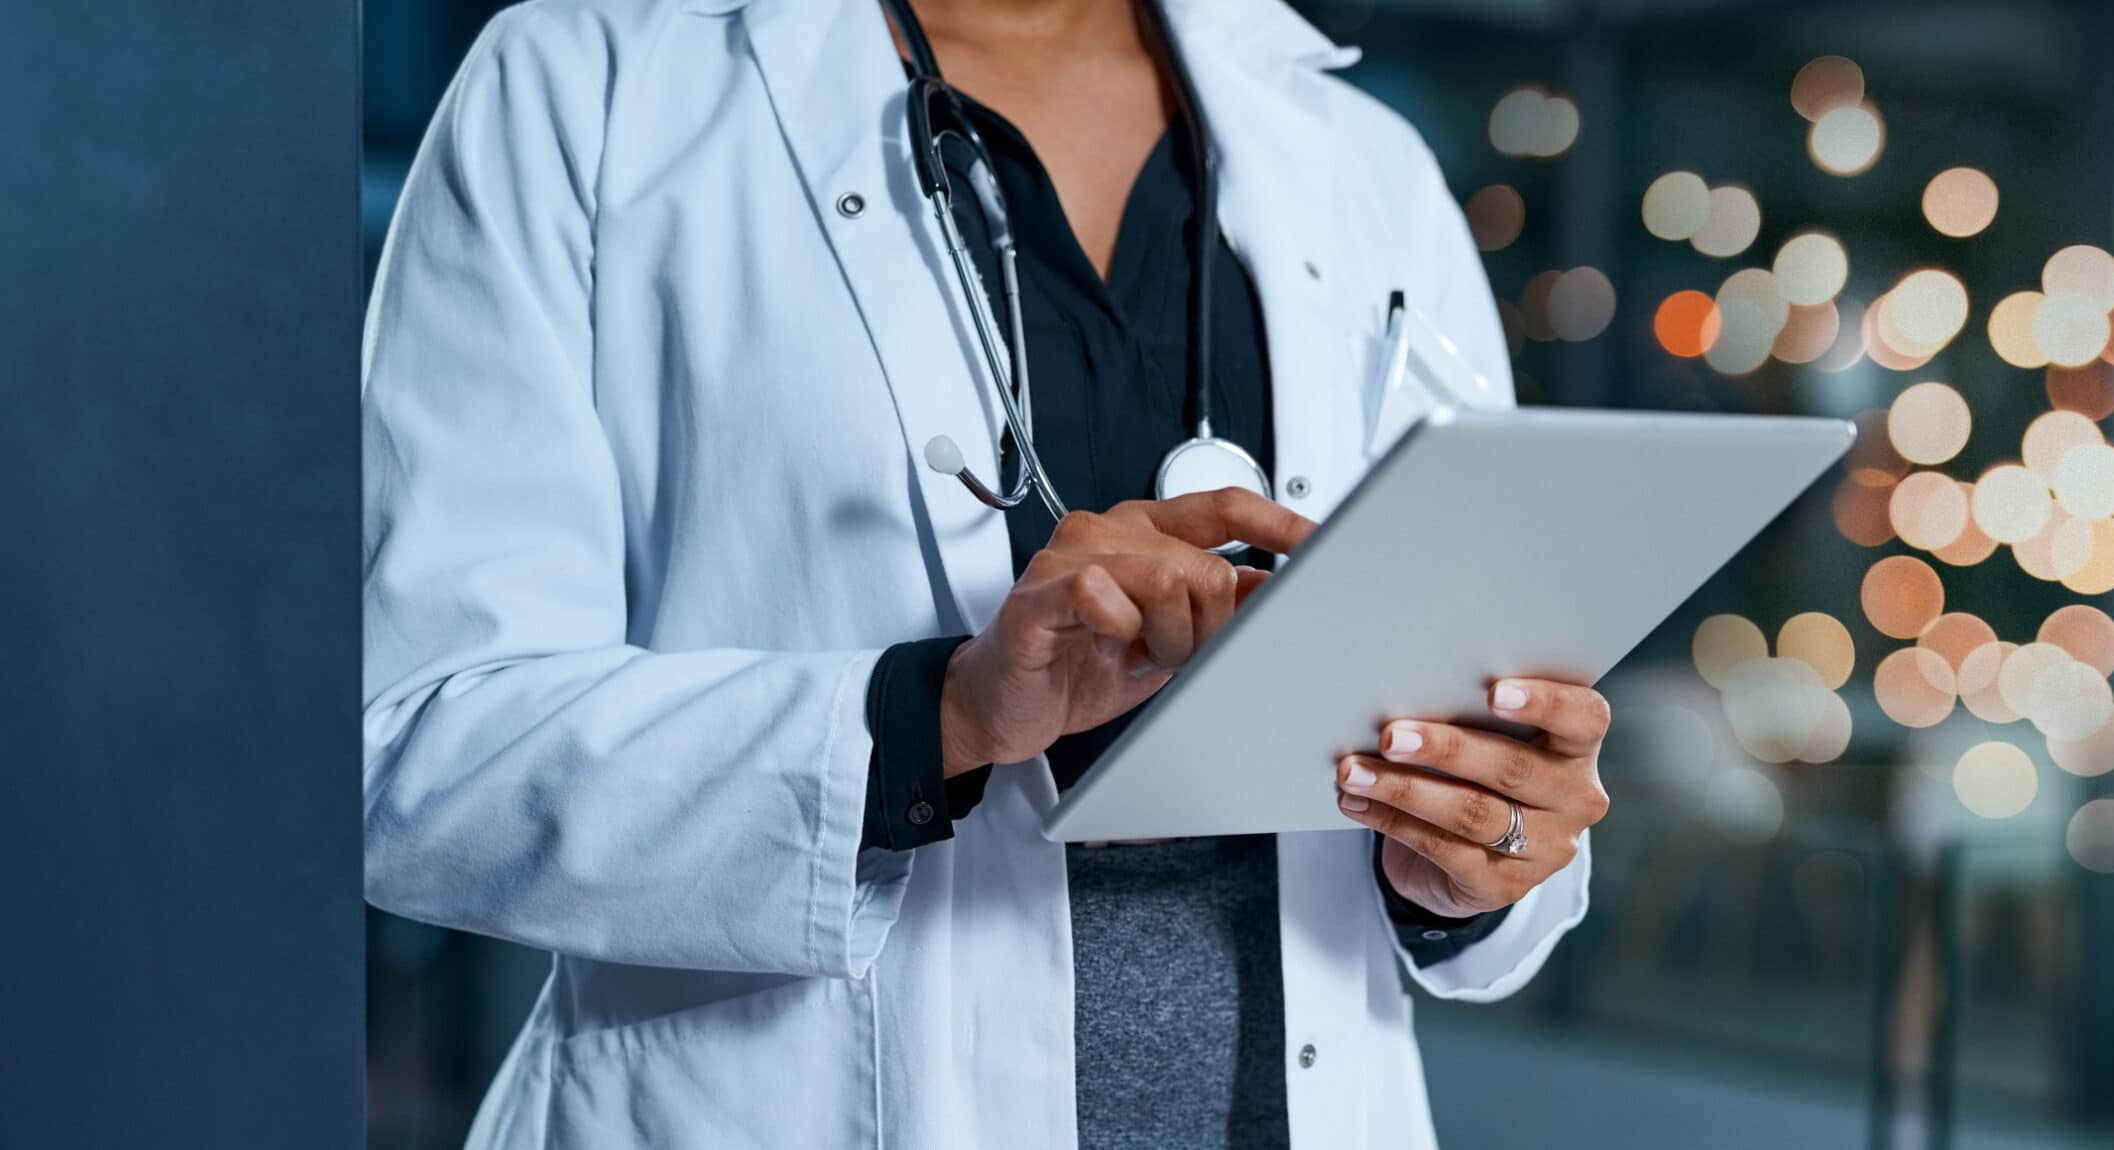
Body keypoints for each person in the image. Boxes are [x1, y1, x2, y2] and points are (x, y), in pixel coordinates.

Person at [359, 0, 1612, 1145]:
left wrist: (1476, 852)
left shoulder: (1364, 161)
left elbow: (1475, 749)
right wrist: (937, 719)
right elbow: (415, 744)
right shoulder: (589, 86)